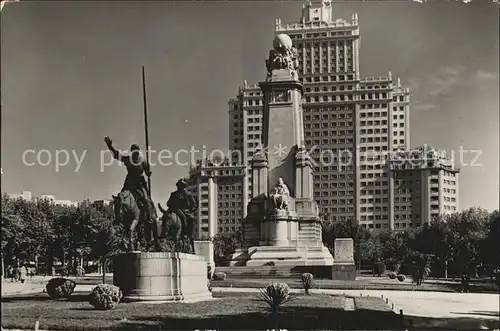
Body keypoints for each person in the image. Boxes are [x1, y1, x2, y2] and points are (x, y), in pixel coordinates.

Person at [104, 137, 156, 218]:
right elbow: (116, 155)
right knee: (119, 199)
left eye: (136, 152)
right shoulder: (128, 159)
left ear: (139, 152)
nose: (135, 153)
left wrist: (148, 173)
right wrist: (110, 146)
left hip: (140, 183)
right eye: (133, 152)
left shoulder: (143, 161)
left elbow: (147, 171)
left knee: (146, 199)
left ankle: (150, 217)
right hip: (129, 182)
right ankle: (117, 218)